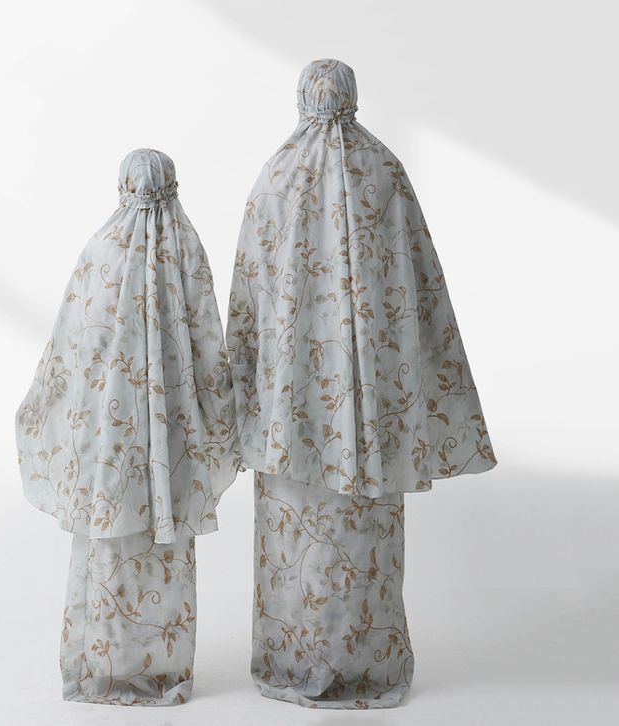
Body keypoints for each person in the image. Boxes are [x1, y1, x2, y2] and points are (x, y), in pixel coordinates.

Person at [227, 59, 497, 708]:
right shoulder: (384, 171)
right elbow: (419, 287)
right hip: (373, 399)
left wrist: (243, 388)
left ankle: (291, 659)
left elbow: (250, 294)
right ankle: (368, 663)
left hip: (293, 401)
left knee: (296, 530)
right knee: (361, 532)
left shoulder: (277, 176)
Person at [16, 148, 240, 705]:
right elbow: (209, 349)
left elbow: (74, 344)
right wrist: (222, 422)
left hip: (107, 441)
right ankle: (161, 665)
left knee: (110, 540)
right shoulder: (187, 249)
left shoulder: (102, 248)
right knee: (163, 545)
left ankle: (105, 662)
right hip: (174, 439)